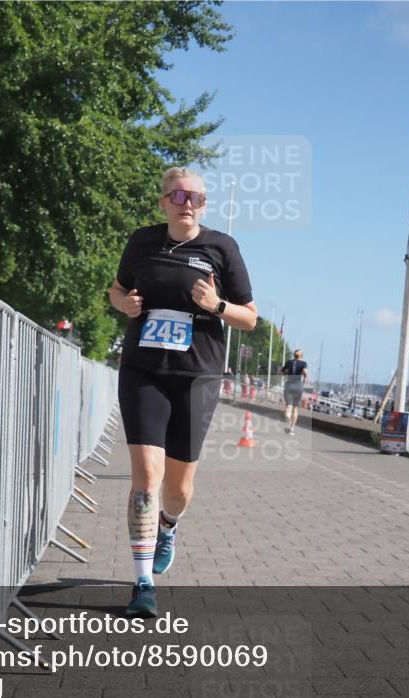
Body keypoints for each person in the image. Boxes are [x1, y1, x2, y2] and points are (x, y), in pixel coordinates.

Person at [109, 167, 258, 617]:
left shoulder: (222, 247)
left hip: (197, 377)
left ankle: (168, 526)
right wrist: (124, 304)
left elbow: (249, 317)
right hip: (143, 370)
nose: (187, 202)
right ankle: (142, 583)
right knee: (147, 478)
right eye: (177, 194)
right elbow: (117, 291)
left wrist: (216, 306)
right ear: (163, 202)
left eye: (195, 196)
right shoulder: (142, 241)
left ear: (204, 203)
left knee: (178, 488)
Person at [279, 349, 308, 435]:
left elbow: (280, 372)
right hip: (298, 386)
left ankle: (287, 417)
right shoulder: (303, 363)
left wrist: (287, 373)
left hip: (289, 385)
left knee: (289, 405)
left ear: (293, 355)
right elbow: (305, 372)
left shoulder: (289, 362)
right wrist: (305, 377)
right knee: (295, 408)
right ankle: (291, 428)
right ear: (301, 356)